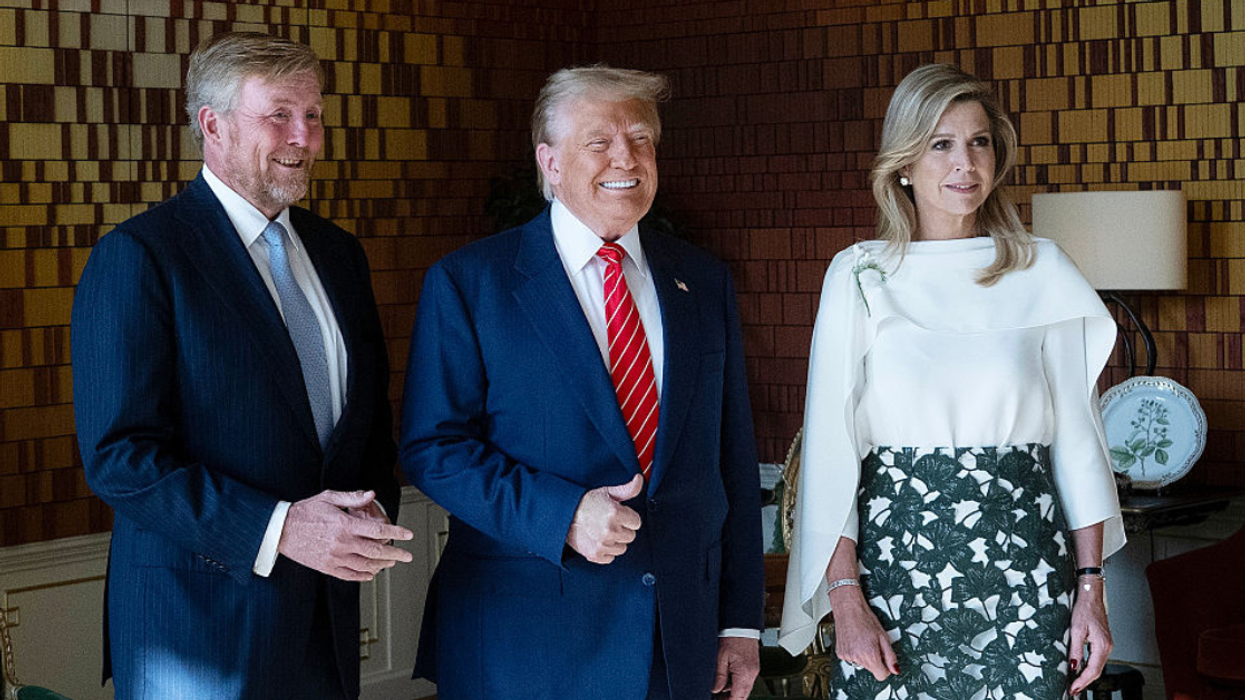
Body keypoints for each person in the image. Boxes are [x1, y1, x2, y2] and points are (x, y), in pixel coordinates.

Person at [400, 65, 764, 700]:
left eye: (642, 139)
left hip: (674, 644)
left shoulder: (702, 281)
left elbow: (728, 462)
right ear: (551, 163)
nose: (626, 157)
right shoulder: (471, 282)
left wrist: (739, 623)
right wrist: (561, 514)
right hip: (527, 642)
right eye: (599, 141)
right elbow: (434, 450)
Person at [72, 32, 412, 700]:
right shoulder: (141, 257)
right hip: (196, 633)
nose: (304, 137)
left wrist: (366, 518)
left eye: (313, 116)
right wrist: (281, 528)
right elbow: (121, 458)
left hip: (323, 621)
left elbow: (365, 426)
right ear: (213, 125)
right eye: (280, 114)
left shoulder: (339, 254)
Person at [779, 63, 1126, 699]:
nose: (964, 162)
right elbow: (830, 453)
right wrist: (845, 597)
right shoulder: (860, 275)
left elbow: (1078, 443)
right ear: (904, 163)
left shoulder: (1041, 269)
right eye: (941, 144)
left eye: (979, 142)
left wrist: (1092, 589)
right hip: (893, 568)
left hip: (1027, 566)